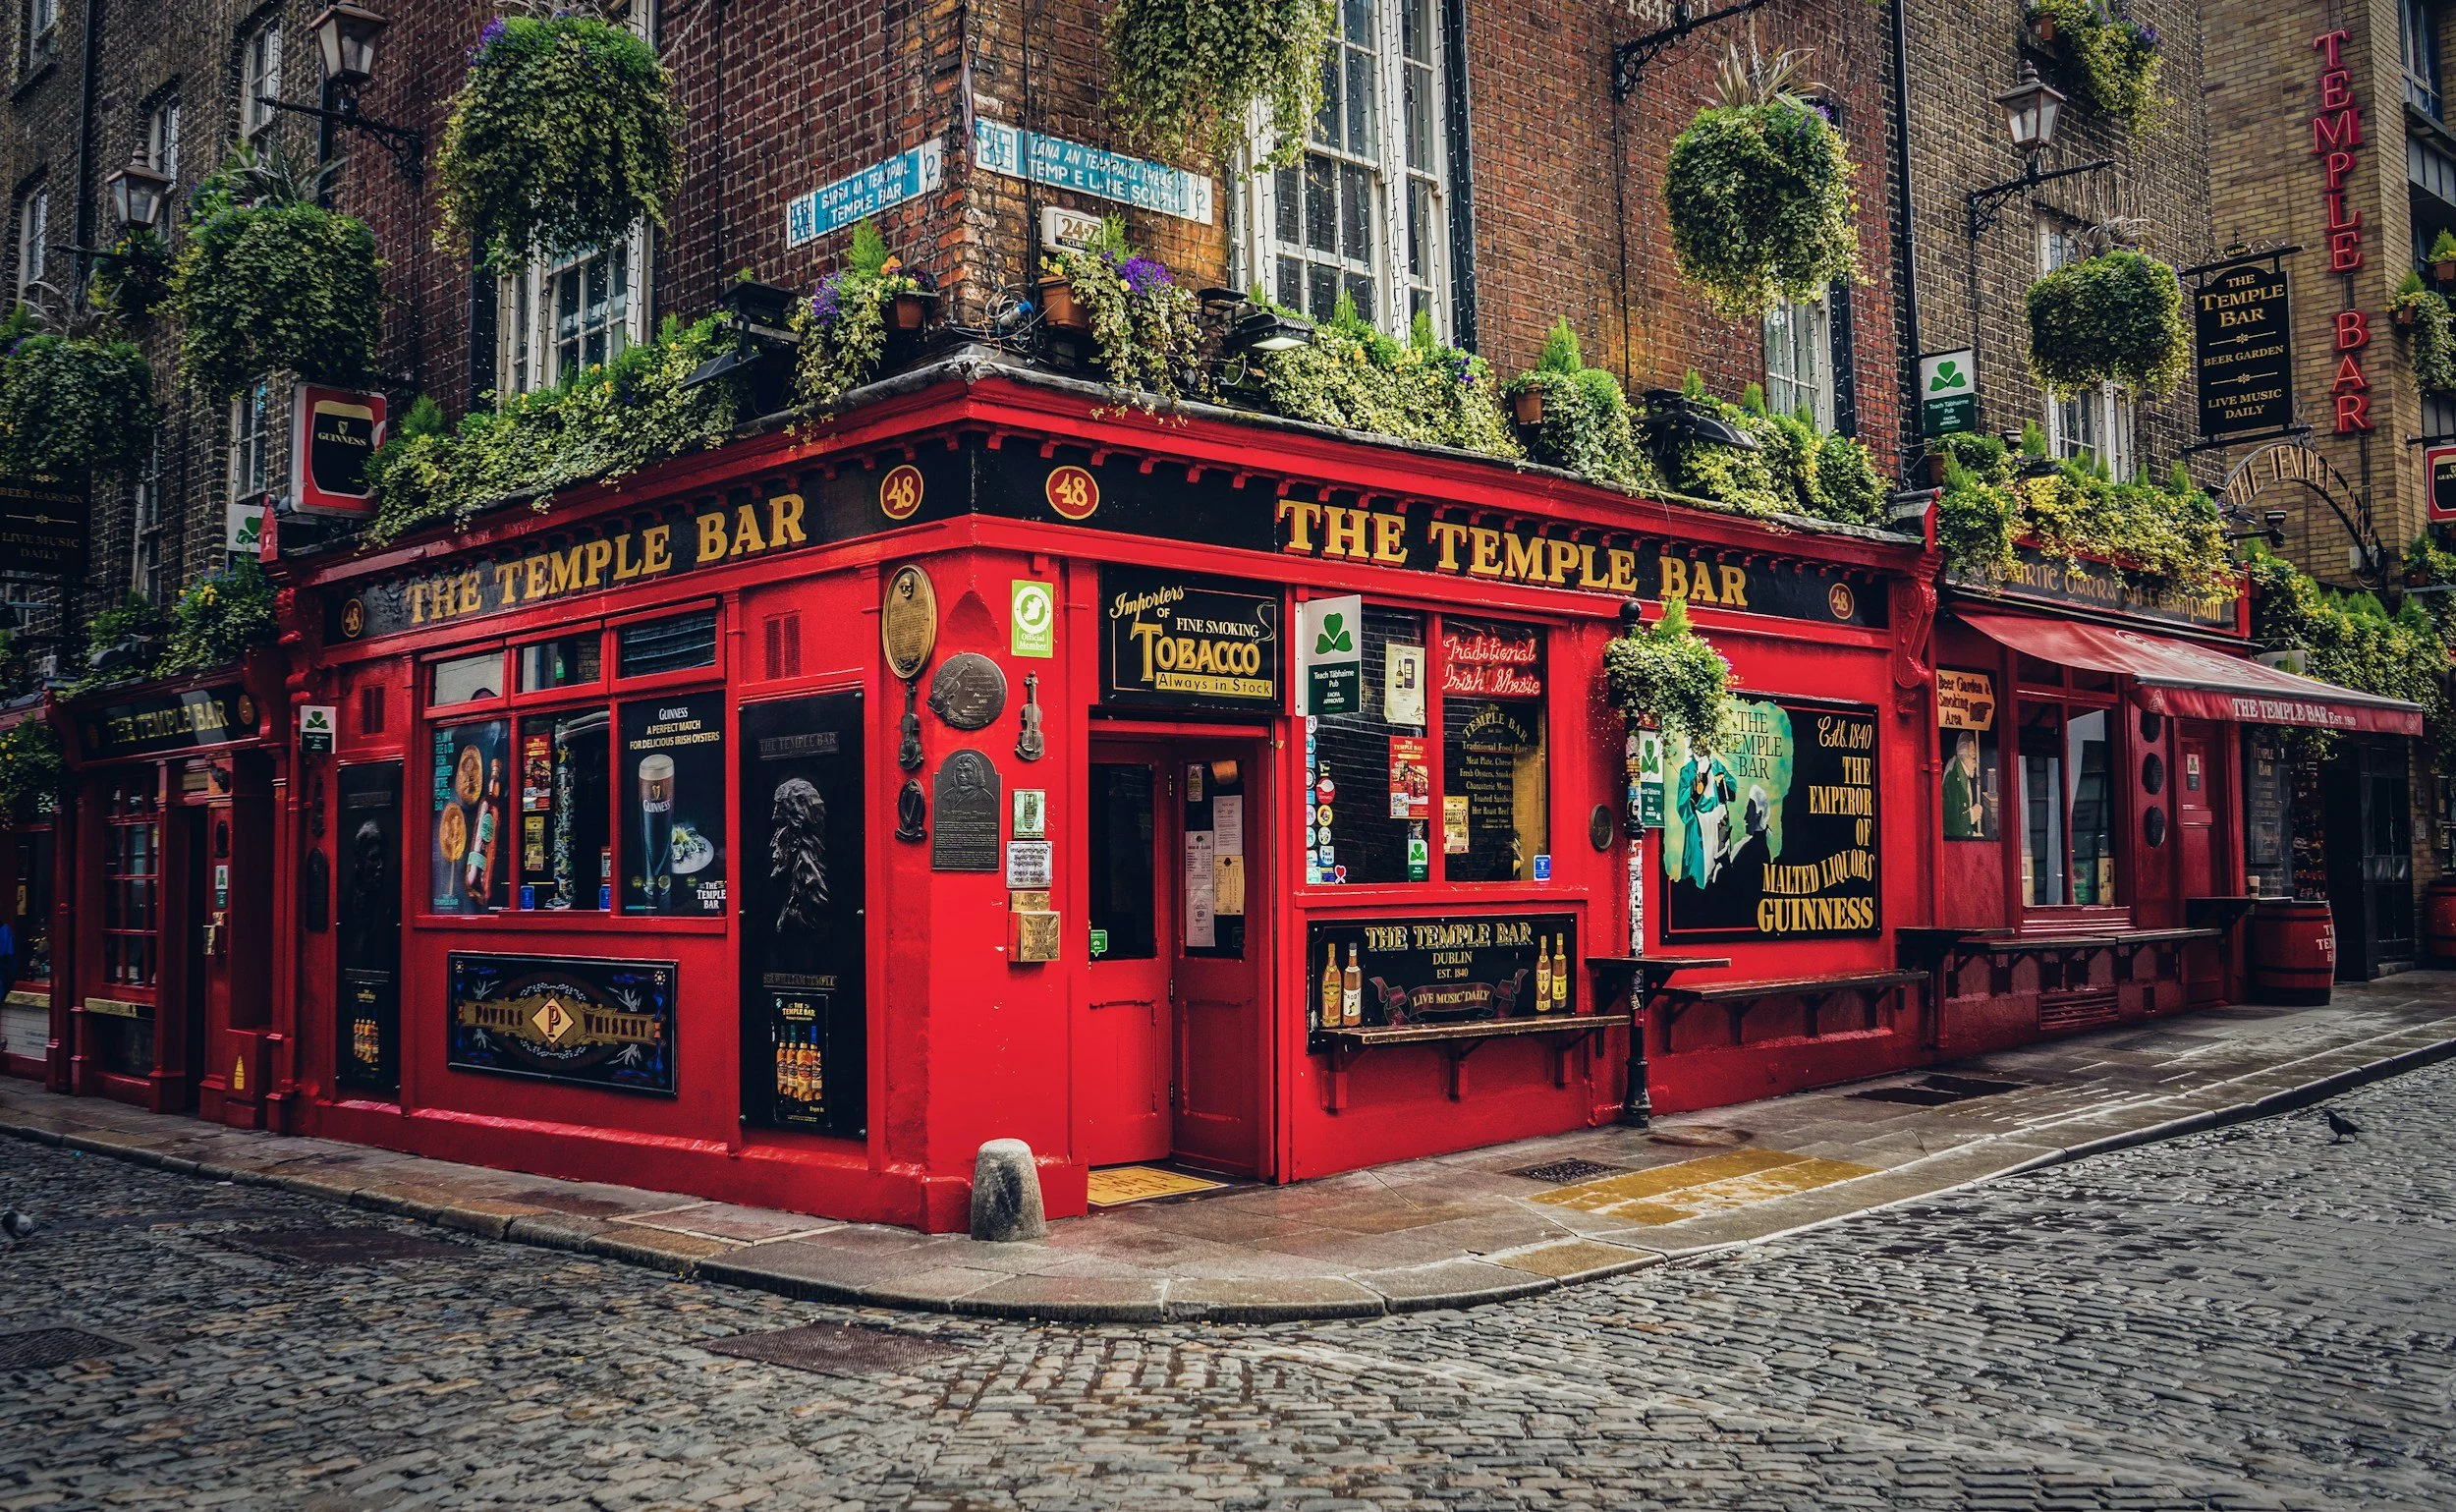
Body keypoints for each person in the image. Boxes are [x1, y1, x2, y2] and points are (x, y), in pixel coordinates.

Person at [1943, 731, 1987, 840]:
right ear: (1964, 756)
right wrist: (1973, 814)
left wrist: (1972, 834)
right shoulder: (1953, 779)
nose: (1975, 764)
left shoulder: (1959, 773)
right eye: (1973, 758)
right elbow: (1953, 826)